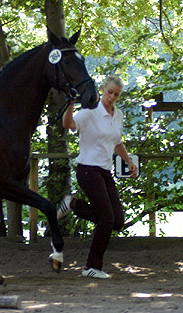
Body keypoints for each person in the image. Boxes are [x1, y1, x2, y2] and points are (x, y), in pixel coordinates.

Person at [58, 75, 138, 279]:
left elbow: (117, 142)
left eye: (116, 95)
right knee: (106, 218)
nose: (112, 97)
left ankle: (73, 204)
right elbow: (68, 124)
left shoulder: (118, 115)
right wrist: (70, 104)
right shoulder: (89, 112)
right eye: (110, 92)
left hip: (104, 171)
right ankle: (92, 267)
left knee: (117, 221)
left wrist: (128, 161)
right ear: (103, 89)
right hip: (87, 169)